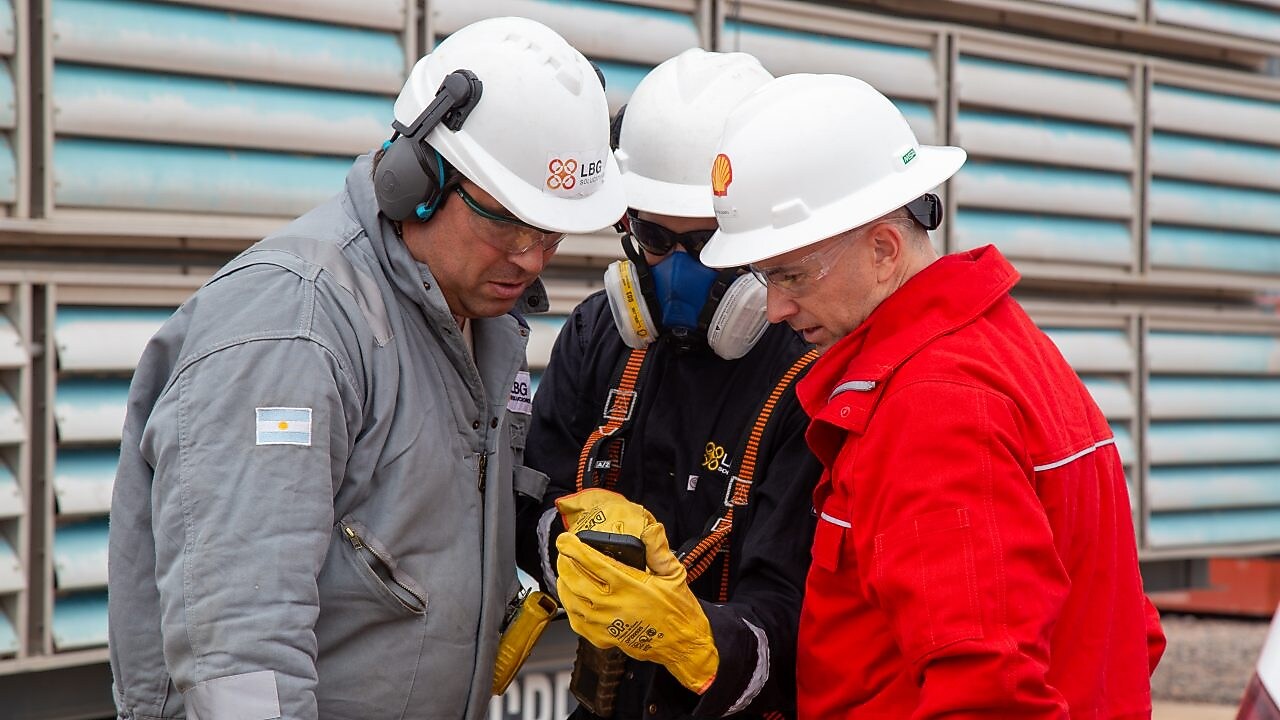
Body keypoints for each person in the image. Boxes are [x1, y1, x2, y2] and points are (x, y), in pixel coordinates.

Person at [106, 17, 625, 720]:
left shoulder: (474, 319)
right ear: (417, 178)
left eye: (552, 230)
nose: (534, 259)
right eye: (506, 221)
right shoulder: (292, 331)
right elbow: (240, 652)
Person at [698, 73, 1167, 718]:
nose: (775, 307)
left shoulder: (933, 406)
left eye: (790, 275)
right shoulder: (1006, 349)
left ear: (885, 248)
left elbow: (988, 694)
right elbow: (1125, 628)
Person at [517, 49, 823, 720]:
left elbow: (800, 617)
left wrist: (699, 641)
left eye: (709, 243)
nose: (680, 274)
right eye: (656, 239)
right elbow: (530, 502)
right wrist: (568, 549)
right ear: (626, 224)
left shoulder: (813, 369)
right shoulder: (602, 333)